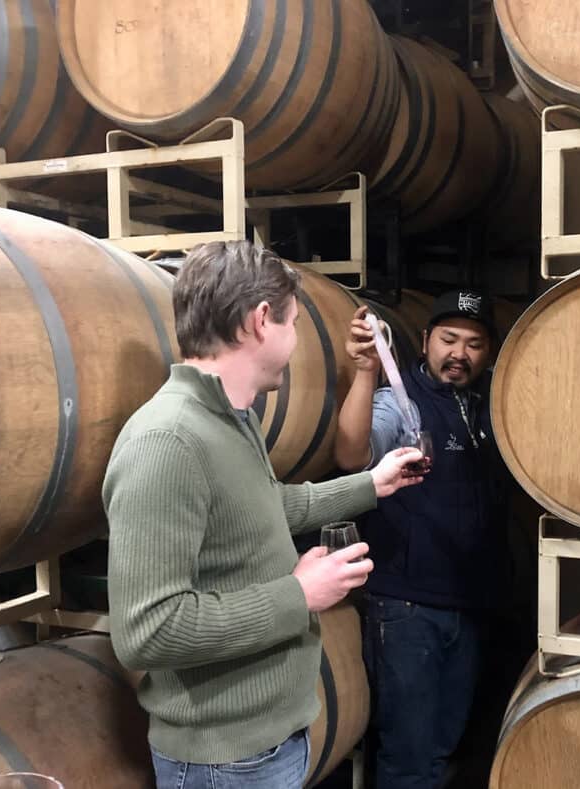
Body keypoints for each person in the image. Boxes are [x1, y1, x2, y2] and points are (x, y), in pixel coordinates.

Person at [102, 240, 424, 789]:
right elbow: (146, 631)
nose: (299, 341)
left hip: (267, 743)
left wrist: (371, 484)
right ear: (259, 322)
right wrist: (299, 594)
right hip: (223, 760)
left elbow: (268, 506)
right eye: (293, 323)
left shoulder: (233, 419)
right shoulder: (168, 441)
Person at [334, 290, 506, 788]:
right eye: (449, 339)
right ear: (426, 339)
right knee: (408, 755)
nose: (459, 353)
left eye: (474, 343)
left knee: (444, 747)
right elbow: (352, 454)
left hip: (471, 603)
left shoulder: (492, 401)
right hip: (409, 606)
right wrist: (366, 373)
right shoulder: (400, 400)